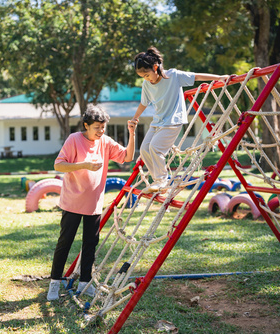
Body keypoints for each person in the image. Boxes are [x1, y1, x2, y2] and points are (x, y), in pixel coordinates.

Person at [47, 104, 137, 301]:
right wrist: (85, 165)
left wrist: (132, 133)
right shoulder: (74, 139)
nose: (101, 131)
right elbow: (58, 164)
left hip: (94, 203)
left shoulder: (105, 141)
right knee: (65, 242)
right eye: (97, 127)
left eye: (103, 127)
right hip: (72, 201)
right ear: (86, 125)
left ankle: (85, 284)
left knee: (90, 244)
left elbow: (127, 157)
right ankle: (54, 283)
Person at [132, 46, 229, 193]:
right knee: (145, 149)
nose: (146, 79)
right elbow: (144, 103)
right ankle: (159, 181)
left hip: (172, 121)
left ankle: (162, 180)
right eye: (142, 77)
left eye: (147, 75)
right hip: (157, 122)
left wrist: (219, 78)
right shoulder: (147, 84)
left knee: (155, 148)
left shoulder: (174, 76)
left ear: (155, 67)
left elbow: (196, 76)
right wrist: (135, 118)